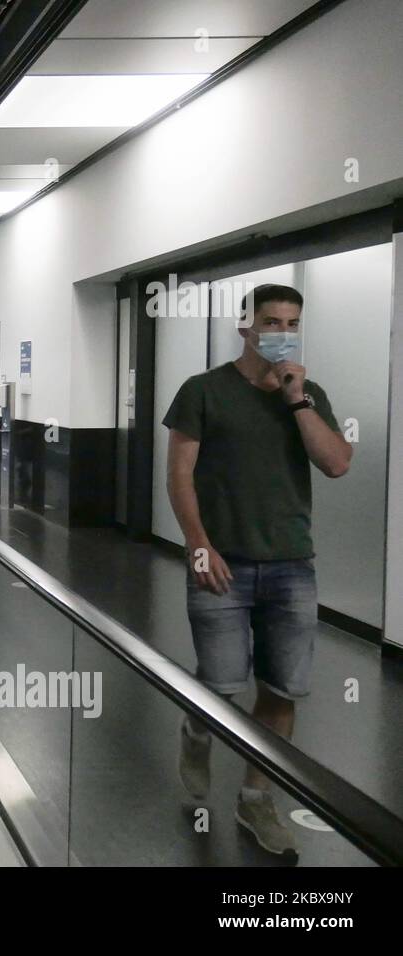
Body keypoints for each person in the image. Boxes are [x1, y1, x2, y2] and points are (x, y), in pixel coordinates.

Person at [164, 283, 350, 859]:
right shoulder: (203, 391)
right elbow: (180, 474)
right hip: (223, 561)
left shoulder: (308, 393)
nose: (281, 333)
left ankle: (255, 798)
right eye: (270, 322)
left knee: (281, 689)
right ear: (245, 327)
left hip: (292, 567)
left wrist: (296, 399)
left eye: (291, 324)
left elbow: (337, 463)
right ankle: (198, 731)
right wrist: (198, 545)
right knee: (221, 686)